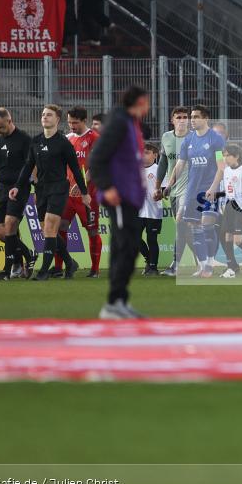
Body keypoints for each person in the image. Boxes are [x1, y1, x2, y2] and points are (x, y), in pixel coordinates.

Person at [88, 86, 150, 319]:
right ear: (140, 101)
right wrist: (106, 186)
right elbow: (97, 157)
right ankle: (114, 302)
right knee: (124, 247)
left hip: (131, 196)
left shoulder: (131, 123)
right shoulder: (119, 123)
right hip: (120, 196)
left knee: (130, 247)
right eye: (147, 101)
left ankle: (120, 300)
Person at [9, 105, 89, 280]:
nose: (45, 117)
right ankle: (70, 262)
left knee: (51, 227)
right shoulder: (36, 141)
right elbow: (28, 166)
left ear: (57, 120)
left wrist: (84, 192)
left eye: (49, 115)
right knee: (48, 230)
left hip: (59, 188)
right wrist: (17, 185)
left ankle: (44, 270)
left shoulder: (63, 143)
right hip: (42, 189)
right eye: (43, 115)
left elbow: (76, 169)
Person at [163, 104, 226, 278]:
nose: (192, 120)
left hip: (209, 190)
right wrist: (169, 185)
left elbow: (221, 167)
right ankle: (204, 265)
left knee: (207, 224)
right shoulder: (188, 141)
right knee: (193, 226)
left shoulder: (216, 139)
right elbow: (180, 164)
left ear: (206, 118)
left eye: (196, 116)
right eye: (191, 117)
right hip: (192, 191)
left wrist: (214, 187)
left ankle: (210, 264)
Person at [0, 108, 36, 280]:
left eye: (1, 127)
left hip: (19, 187)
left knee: (10, 225)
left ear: (10, 121)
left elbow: (30, 166)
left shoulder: (25, 139)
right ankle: (27, 255)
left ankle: (7, 269)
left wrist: (23, 185)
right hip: (0, 188)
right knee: (0, 233)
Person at [51, 106, 102, 278]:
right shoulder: (67, 139)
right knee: (60, 229)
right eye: (69, 122)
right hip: (67, 195)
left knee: (92, 231)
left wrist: (83, 183)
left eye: (75, 122)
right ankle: (59, 268)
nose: (71, 125)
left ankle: (94, 270)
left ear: (84, 121)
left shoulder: (94, 138)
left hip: (88, 196)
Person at [156, 106, 191, 276]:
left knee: (181, 225)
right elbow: (163, 163)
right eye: (179, 117)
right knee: (185, 229)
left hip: (191, 191)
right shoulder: (166, 137)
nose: (182, 120)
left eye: (185, 117)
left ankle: (176, 265)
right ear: (172, 120)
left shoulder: (195, 138)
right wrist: (158, 186)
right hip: (174, 190)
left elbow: (215, 158)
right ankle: (205, 261)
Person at [217, 143, 242, 278]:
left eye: (228, 156)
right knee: (226, 236)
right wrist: (223, 204)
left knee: (237, 240)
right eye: (224, 155)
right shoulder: (226, 170)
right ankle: (231, 268)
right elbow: (226, 189)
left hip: (240, 209)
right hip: (229, 207)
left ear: (237, 157)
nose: (225, 158)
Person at [138, 143, 162, 276]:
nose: (143, 155)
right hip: (139, 210)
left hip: (154, 211)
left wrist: (159, 194)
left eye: (147, 152)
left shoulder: (159, 169)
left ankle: (153, 267)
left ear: (155, 155)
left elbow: (164, 190)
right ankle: (148, 258)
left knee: (152, 239)